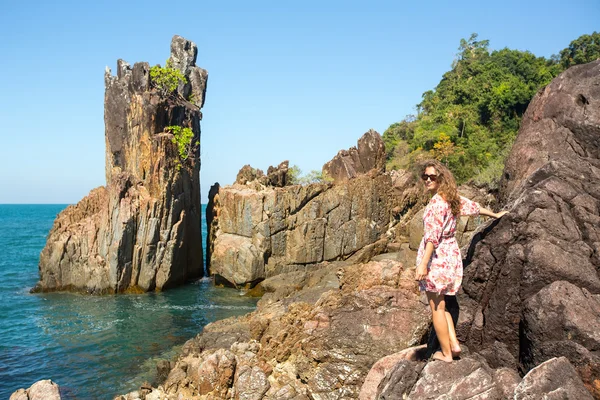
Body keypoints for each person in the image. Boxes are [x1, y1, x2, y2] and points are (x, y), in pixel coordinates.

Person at [415, 159, 508, 362]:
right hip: (450, 256)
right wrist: (496, 215)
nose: (428, 180)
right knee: (443, 304)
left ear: (441, 178)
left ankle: (446, 353)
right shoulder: (451, 199)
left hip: (437, 259)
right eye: (425, 177)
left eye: (432, 177)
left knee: (436, 308)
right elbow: (475, 208)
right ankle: (454, 345)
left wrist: (423, 263)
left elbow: (432, 236)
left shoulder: (436, 205)